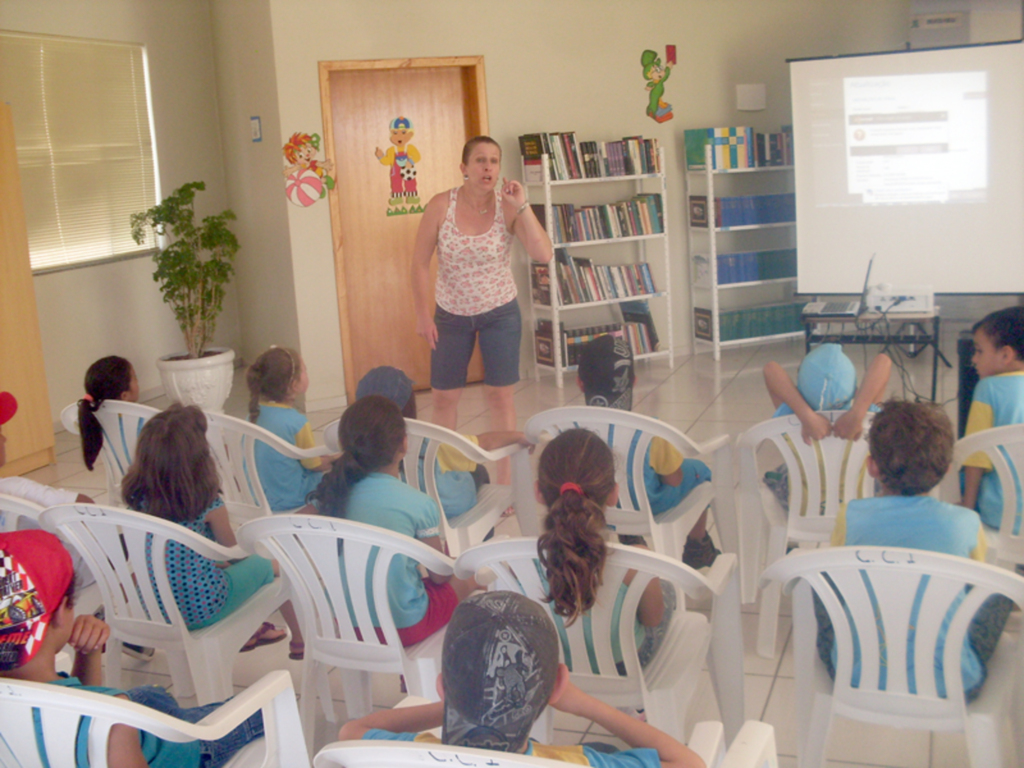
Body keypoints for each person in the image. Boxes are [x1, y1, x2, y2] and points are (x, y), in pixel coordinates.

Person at [338, 591, 705, 768]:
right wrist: (587, 705)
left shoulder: (398, 754)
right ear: (555, 689)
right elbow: (689, 763)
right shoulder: (576, 762)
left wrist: (455, 701)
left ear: (441, 686)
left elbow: (353, 729)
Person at [0, 529, 266, 768]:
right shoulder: (114, 718)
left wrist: (88, 652)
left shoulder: (41, 696)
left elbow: (85, 704)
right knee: (260, 708)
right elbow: (102, 718)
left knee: (148, 696)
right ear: (61, 612)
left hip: (91, 740)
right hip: (186, 751)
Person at [823, 399, 1011, 701]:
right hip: (955, 683)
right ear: (947, 470)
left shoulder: (851, 515)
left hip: (856, 675)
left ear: (872, 466)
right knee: (998, 594)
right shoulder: (966, 523)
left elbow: (838, 576)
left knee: (821, 586)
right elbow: (975, 585)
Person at [411, 135, 553, 482]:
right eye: (479, 160)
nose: (487, 167)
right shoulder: (440, 205)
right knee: (444, 398)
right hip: (451, 314)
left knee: (500, 397)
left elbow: (544, 254)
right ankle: (443, 476)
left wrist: (522, 206)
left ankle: (505, 483)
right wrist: (422, 314)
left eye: (493, 161)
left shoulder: (507, 207)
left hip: (500, 312)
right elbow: (418, 263)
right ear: (464, 168)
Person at [122, 404, 305, 659]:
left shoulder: (138, 499)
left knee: (233, 568)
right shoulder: (207, 504)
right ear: (199, 459)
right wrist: (263, 557)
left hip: (156, 608)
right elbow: (234, 554)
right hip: (203, 607)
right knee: (276, 564)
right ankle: (300, 641)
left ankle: (252, 631)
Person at [308, 395, 479, 646]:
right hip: (403, 628)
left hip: (343, 623)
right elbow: (440, 577)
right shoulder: (419, 503)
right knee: (469, 577)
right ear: (404, 445)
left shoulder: (332, 494)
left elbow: (292, 525)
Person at [536, 427, 673, 672]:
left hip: (556, 669)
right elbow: (653, 618)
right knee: (667, 591)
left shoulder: (518, 561)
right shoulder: (636, 562)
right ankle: (638, 706)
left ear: (538, 492)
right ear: (613, 494)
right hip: (624, 666)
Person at [576, 334, 717, 569]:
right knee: (699, 472)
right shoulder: (650, 432)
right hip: (647, 507)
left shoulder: (573, 429)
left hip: (594, 505)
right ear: (634, 381)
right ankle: (697, 544)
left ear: (580, 382)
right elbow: (674, 480)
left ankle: (628, 536)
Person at [355, 365, 526, 520]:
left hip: (388, 512)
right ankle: (482, 539)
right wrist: (519, 436)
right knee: (478, 470)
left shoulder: (352, 443)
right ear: (410, 406)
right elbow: (483, 444)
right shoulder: (425, 441)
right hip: (442, 509)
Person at [247, 346, 337, 512]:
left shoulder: (252, 415)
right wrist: (338, 458)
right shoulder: (297, 422)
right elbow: (313, 464)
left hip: (258, 496)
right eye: (305, 371)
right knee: (338, 484)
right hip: (291, 497)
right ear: (294, 385)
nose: (307, 374)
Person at [960, 306, 1024, 528]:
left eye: (979, 351)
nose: (974, 360)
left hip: (1001, 514)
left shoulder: (988, 388)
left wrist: (967, 507)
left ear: (1006, 354)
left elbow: (976, 456)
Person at [763, 343, 891, 445]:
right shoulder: (868, 416)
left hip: (801, 478)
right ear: (855, 391)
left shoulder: (790, 415)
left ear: (799, 389)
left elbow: (770, 368)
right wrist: (857, 413)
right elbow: (883, 361)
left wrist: (806, 416)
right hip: (859, 478)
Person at [77, 355, 141, 472]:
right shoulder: (143, 421)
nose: (138, 381)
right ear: (124, 396)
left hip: (123, 482)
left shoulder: (93, 418)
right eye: (135, 378)